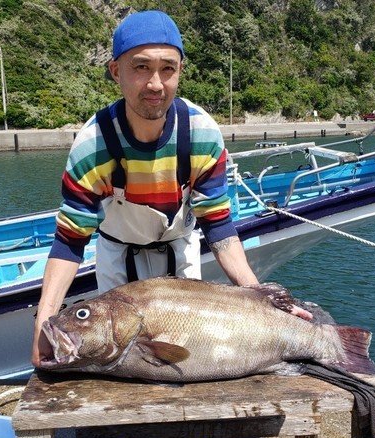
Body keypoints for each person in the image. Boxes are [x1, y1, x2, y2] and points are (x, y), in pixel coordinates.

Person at [32, 10, 311, 369]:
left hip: (180, 261)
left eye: (168, 69)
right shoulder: (93, 145)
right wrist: (44, 321)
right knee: (117, 362)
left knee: (186, 363)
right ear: (116, 71)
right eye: (141, 67)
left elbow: (218, 225)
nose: (155, 84)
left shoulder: (200, 134)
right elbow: (71, 240)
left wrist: (257, 297)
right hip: (118, 262)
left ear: (180, 71)